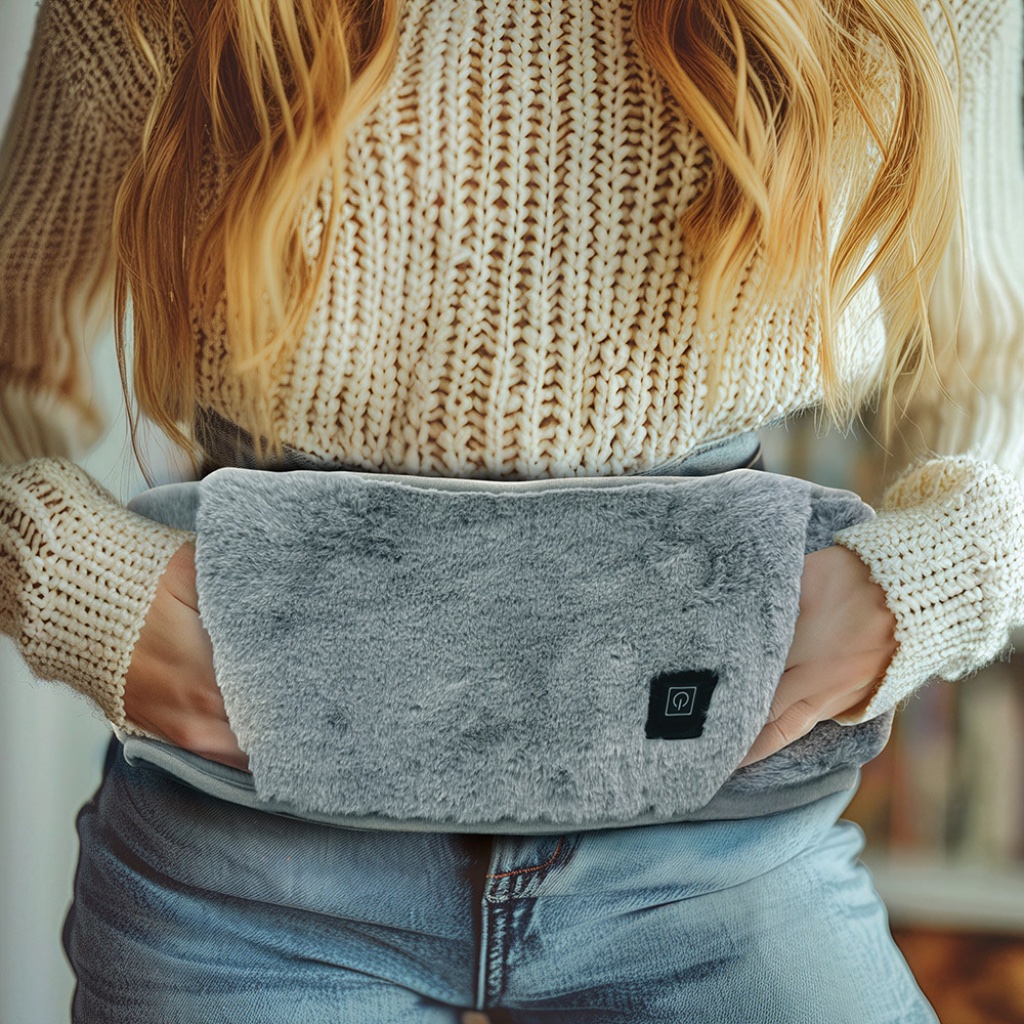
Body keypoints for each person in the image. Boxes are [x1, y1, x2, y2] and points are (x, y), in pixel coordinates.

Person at [1, 0, 1021, 1020]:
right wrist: (77, 581)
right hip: (253, 856)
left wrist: (940, 568)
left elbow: (990, 366)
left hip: (716, 841)